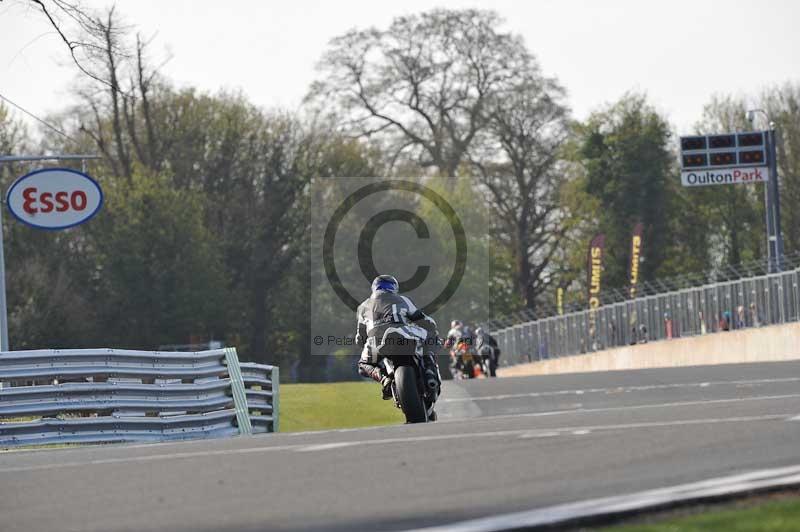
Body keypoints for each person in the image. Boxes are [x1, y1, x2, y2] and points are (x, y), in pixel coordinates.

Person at [356, 275, 442, 407]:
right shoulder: (402, 299)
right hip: (402, 333)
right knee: (432, 338)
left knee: (363, 365)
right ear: (394, 288)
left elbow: (360, 337)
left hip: (375, 341)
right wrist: (432, 329)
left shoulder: (362, 307)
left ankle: (384, 379)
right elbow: (426, 321)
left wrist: (365, 344)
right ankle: (429, 369)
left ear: (373, 288)